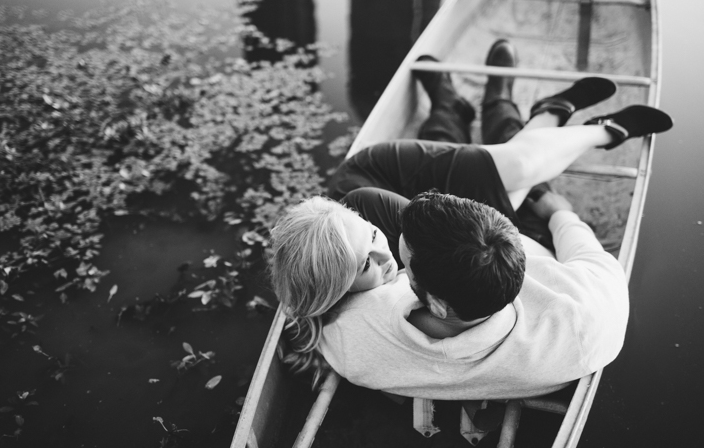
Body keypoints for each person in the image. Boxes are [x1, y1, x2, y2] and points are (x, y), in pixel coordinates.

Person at [269, 40, 673, 396]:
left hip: (458, 235)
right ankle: (528, 111)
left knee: (378, 192)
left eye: (383, 240)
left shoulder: (348, 336)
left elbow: (316, 314)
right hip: (521, 235)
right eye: (377, 262)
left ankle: (467, 107)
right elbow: (589, 255)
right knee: (516, 169)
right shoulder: (585, 315)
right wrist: (557, 212)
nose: (390, 259)